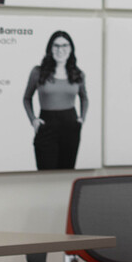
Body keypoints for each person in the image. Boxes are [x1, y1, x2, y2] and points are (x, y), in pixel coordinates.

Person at [23, 31, 88, 170]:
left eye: (65, 45)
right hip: (46, 124)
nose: (60, 50)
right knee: (46, 172)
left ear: (71, 49)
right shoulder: (38, 72)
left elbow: (84, 97)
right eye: (56, 46)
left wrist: (82, 118)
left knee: (67, 172)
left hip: (70, 125)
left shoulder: (78, 74)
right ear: (50, 49)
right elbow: (27, 98)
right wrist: (33, 120)